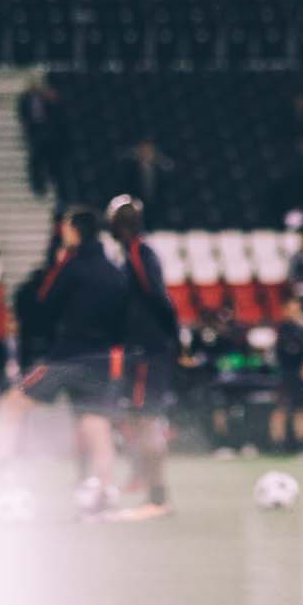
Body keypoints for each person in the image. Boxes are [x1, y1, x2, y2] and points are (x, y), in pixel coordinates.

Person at [0, 207, 128, 518]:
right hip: (101, 360)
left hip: (65, 357)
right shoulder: (114, 271)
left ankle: (4, 480)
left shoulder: (70, 266)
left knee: (10, 406)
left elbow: (44, 305)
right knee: (96, 423)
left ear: (74, 231)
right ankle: (103, 491)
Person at [107, 194, 178, 521]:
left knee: (147, 421)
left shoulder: (138, 253)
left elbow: (157, 296)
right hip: (144, 351)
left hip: (147, 352)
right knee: (138, 421)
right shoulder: (133, 253)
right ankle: (147, 485)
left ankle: (158, 498)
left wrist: (172, 337)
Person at [269, 297, 303, 455]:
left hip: (302, 374)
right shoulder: (283, 328)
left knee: (301, 409)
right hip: (286, 373)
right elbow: (288, 350)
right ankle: (278, 444)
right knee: (281, 408)